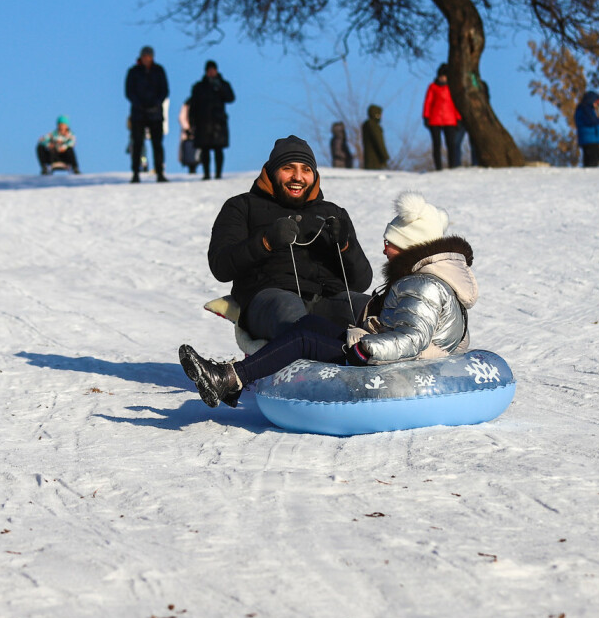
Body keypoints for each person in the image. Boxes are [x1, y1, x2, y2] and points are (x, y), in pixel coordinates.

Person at [181, 190, 476, 409]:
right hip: (389, 348)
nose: (385, 250)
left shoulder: (421, 284)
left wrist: (365, 347)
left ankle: (229, 380)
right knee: (308, 324)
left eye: (391, 244)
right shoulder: (425, 277)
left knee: (303, 340)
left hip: (397, 358)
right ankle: (235, 379)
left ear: (411, 246)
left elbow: (414, 339)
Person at [206, 135, 373, 344]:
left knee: (372, 310)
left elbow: (361, 282)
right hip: (270, 300)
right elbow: (221, 266)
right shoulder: (242, 207)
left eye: (306, 170)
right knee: (289, 308)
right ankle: (307, 365)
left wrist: (346, 247)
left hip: (328, 299)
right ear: (271, 171)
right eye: (288, 168)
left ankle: (395, 363)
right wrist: (265, 242)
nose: (298, 177)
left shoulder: (333, 213)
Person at [125, 45, 169, 182]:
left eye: (149, 56)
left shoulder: (159, 71)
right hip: (138, 114)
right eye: (145, 56)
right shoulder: (134, 72)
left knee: (157, 144)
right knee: (137, 144)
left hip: (155, 113)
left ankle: (160, 172)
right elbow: (129, 92)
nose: (147, 59)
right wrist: (139, 104)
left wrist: (156, 104)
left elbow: (164, 91)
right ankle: (135, 173)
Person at [189, 60, 235, 180]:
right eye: (209, 70)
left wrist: (219, 87)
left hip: (218, 122)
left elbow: (230, 97)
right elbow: (193, 105)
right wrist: (192, 122)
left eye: (213, 70)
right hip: (203, 122)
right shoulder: (199, 87)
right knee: (205, 150)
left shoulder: (222, 84)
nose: (211, 72)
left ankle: (218, 174)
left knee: (218, 149)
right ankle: (206, 174)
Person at [422, 64, 463, 169]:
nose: (443, 78)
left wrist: (458, 118)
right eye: (441, 76)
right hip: (435, 119)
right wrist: (426, 116)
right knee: (436, 144)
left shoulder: (452, 87)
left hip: (450, 119)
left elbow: (456, 104)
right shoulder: (432, 87)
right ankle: (438, 167)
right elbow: (428, 102)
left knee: (451, 144)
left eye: (445, 76)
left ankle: (452, 166)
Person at [573, 91, 599, 167]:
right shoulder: (586, 109)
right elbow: (591, 121)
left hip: (589, 138)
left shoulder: (584, 109)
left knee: (590, 159)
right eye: (596, 102)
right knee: (593, 161)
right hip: (590, 139)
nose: (597, 105)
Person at [361, 104, 389, 170]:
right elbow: (379, 141)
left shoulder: (367, 125)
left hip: (369, 160)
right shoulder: (373, 125)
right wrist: (384, 156)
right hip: (376, 160)